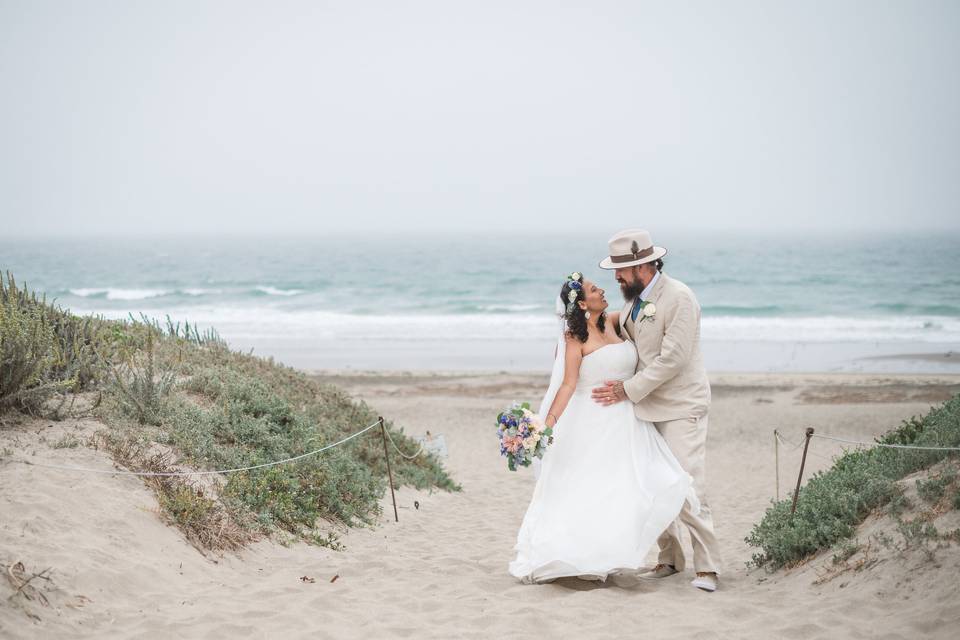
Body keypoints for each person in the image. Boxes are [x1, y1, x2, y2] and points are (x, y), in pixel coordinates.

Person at [509, 271, 697, 584]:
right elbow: (568, 384)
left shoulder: (613, 320)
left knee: (631, 488)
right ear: (582, 303)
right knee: (593, 490)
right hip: (591, 422)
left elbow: (647, 317)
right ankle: (583, 556)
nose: (602, 290)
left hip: (627, 419)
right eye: (595, 290)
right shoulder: (573, 338)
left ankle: (621, 556)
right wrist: (547, 424)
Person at [592, 228, 723, 592]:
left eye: (622, 269)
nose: (616, 276)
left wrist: (626, 391)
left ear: (645, 265)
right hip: (646, 408)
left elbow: (673, 360)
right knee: (652, 487)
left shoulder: (679, 297)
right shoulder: (634, 300)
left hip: (682, 406)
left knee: (686, 486)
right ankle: (670, 558)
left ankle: (708, 568)